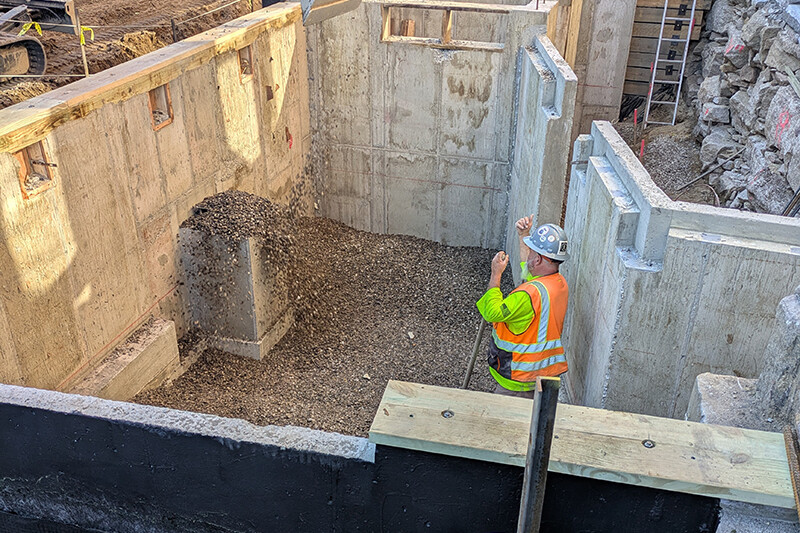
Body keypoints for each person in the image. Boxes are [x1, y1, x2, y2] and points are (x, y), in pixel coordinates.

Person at [475, 216, 570, 398]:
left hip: (518, 380)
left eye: (532, 252)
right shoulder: (558, 284)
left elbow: (491, 312)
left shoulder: (527, 295)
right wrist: (523, 235)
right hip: (542, 375)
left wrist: (496, 274)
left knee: (503, 424)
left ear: (538, 260)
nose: (529, 256)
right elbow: (529, 269)